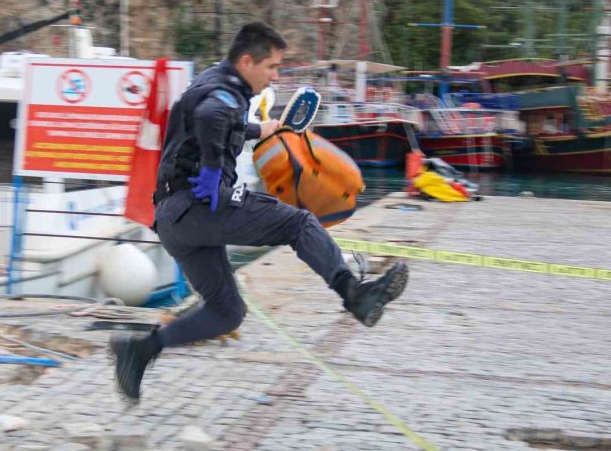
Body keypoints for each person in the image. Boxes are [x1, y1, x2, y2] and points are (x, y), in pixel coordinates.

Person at [110, 22, 409, 402]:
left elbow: (219, 116)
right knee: (299, 222)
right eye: (271, 67)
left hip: (173, 219)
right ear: (247, 61)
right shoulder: (226, 95)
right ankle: (354, 294)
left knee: (227, 313)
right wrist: (215, 166)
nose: (274, 77)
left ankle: (138, 351)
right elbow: (211, 117)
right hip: (199, 205)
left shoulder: (213, 81)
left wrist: (259, 129)